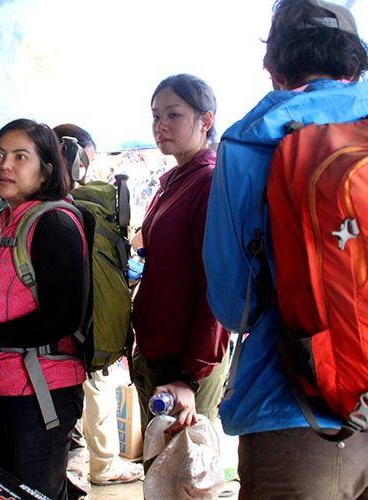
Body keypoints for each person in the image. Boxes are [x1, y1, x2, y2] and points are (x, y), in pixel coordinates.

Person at [203, 1, 368, 498]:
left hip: (297, 413)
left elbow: (236, 306)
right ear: (357, 64)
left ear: (273, 68)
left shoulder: (253, 139)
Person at [0, 118, 87, 500]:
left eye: (20, 157)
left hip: (43, 394)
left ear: (45, 172)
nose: (4, 165)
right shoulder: (4, 220)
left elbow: (63, 316)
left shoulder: (54, 222)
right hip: (4, 388)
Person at [131, 74, 230, 438]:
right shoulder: (172, 181)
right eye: (156, 116)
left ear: (206, 120)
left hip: (186, 364)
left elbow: (215, 289)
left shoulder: (208, 182)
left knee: (184, 477)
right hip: (157, 352)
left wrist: (191, 375)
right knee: (159, 471)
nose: (161, 126)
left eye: (174, 115)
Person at [53, 124, 144, 496]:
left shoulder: (60, 206)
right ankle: (103, 464)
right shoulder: (87, 204)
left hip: (67, 330)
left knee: (90, 392)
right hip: (88, 326)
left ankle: (94, 464)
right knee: (97, 389)